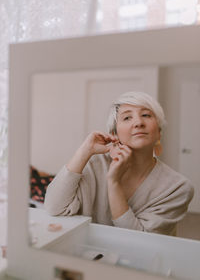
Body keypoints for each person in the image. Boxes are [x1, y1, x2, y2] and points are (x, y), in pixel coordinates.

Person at [44, 91, 194, 236]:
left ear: (159, 132)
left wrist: (114, 182)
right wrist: (84, 150)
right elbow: (54, 208)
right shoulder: (94, 164)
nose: (138, 123)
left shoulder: (178, 187)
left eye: (146, 115)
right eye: (127, 117)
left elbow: (141, 241)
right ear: (114, 133)